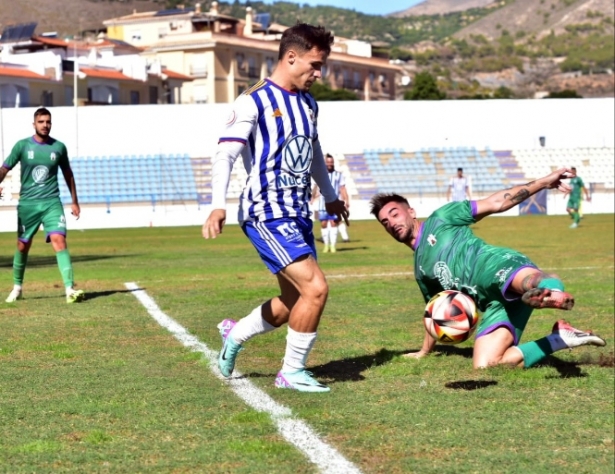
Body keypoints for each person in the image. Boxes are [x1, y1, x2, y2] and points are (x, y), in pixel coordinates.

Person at [202, 23, 348, 393]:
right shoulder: (253, 100)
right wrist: (217, 205)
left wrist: (329, 194)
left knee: (292, 301)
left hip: (298, 212)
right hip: (265, 211)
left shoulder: (309, 103)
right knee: (316, 288)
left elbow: (312, 152)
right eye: (315, 65)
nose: (319, 73)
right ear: (291, 56)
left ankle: (234, 336)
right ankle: (292, 372)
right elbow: (226, 154)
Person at [370, 168, 606, 369]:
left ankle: (551, 290)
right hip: (493, 304)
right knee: (486, 365)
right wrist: (423, 351)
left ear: (410, 212)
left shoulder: (441, 218)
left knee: (528, 282)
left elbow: (496, 202)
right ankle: (559, 338)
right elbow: (434, 310)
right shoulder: (420, 269)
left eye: (394, 214)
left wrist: (544, 182)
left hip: (494, 265)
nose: (391, 223)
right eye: (385, 222)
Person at [0, 107, 85, 304]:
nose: (45, 125)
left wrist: (75, 201)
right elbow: (5, 168)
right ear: (34, 124)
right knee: (23, 245)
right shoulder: (22, 146)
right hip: (28, 205)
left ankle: (70, 289)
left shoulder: (59, 147)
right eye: (41, 122)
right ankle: (17, 287)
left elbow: (68, 174)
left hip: (51, 203)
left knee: (59, 239)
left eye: (48, 122)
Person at [312, 154, 350, 253]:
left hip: (335, 203)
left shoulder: (338, 175)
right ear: (325, 163)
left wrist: (346, 200)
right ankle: (326, 245)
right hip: (322, 204)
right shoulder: (320, 174)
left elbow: (342, 188)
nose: (330, 164)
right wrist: (312, 197)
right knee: (324, 224)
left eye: (331, 162)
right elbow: (316, 186)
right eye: (328, 162)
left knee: (334, 223)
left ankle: (332, 246)